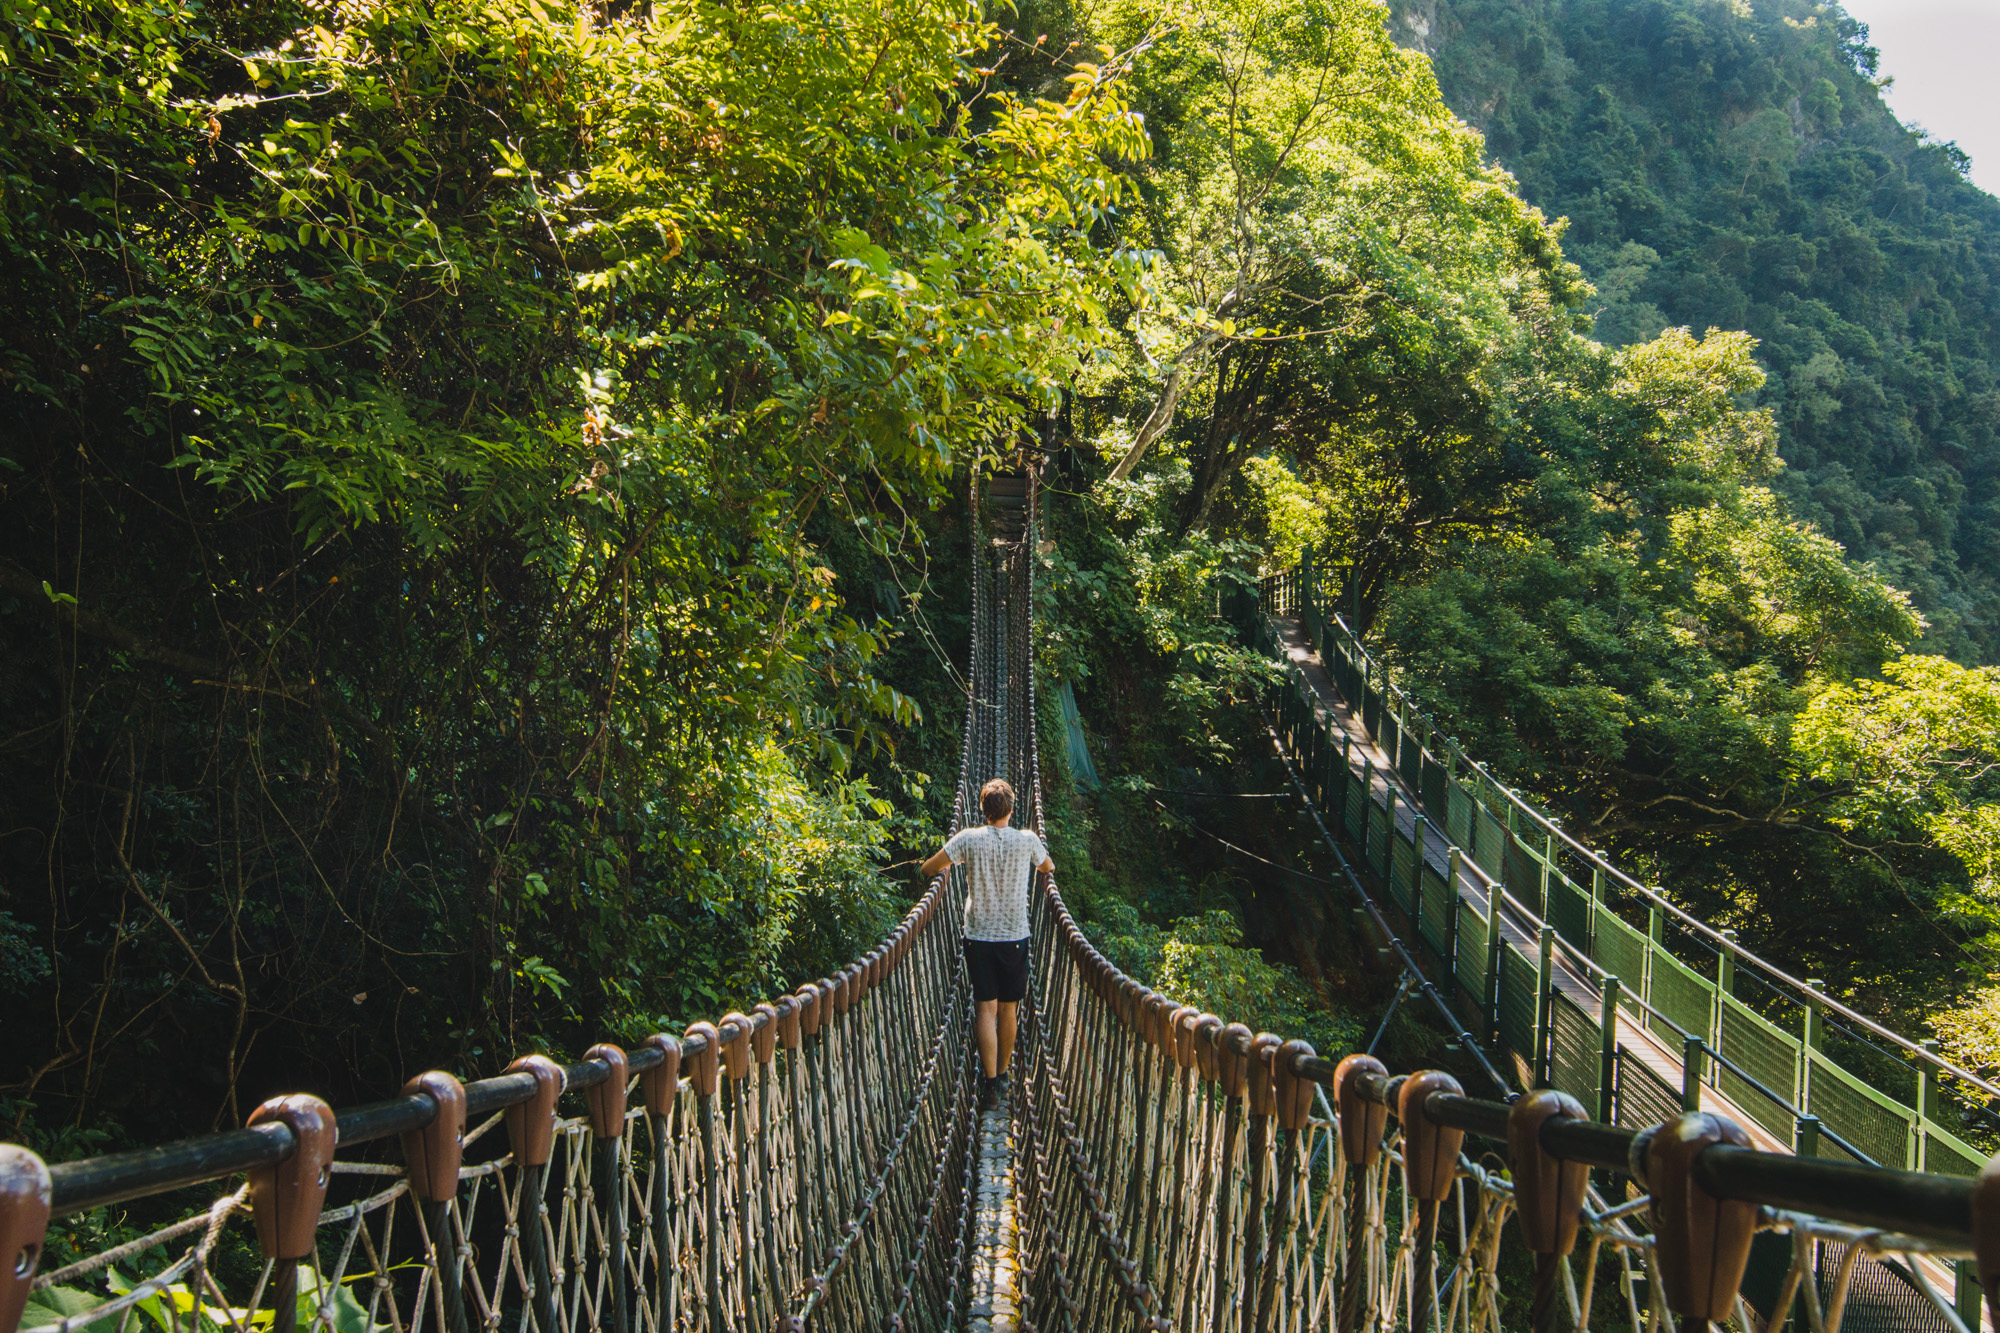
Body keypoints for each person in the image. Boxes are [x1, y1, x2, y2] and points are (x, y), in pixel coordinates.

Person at [919, 778, 1053, 1111]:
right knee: (1008, 1009)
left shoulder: (969, 838)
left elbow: (928, 868)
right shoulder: (1028, 840)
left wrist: (949, 865)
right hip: (1015, 937)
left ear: (982, 809)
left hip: (978, 937)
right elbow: (1049, 867)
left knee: (985, 1008)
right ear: (1011, 808)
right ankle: (1004, 1075)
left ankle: (990, 1083)